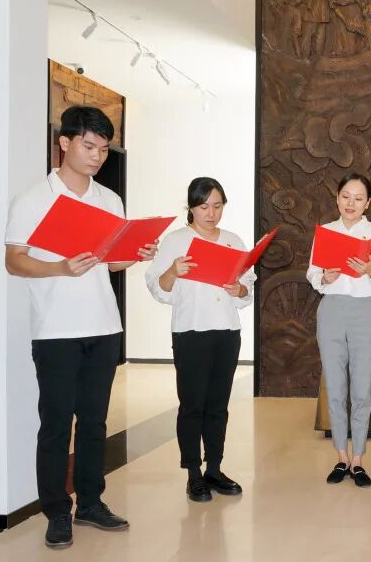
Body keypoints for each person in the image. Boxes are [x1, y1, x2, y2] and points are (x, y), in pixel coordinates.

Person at [5, 106, 157, 549]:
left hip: (104, 325)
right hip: (55, 330)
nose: (97, 156)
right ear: (64, 142)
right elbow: (13, 260)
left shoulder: (109, 200)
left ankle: (90, 502)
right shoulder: (35, 198)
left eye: (104, 149)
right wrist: (59, 267)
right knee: (56, 424)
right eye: (89, 146)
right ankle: (57, 510)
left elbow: (110, 264)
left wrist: (137, 254)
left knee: (94, 421)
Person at [145, 177, 253, 503]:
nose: (211, 213)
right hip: (190, 332)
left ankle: (215, 468)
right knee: (192, 405)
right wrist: (172, 272)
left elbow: (247, 289)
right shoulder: (176, 241)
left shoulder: (233, 241)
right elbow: (157, 288)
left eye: (217, 206)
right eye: (204, 206)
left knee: (218, 405)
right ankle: (193, 472)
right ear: (191, 207)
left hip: (227, 332)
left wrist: (239, 289)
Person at [306, 173, 371, 488]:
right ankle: (341, 456)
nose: (351, 203)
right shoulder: (326, 232)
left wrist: (370, 270)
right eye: (345, 196)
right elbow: (312, 273)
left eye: (358, 198)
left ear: (368, 203)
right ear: (337, 198)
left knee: (361, 389)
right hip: (331, 310)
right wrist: (324, 278)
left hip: (365, 311)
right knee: (335, 386)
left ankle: (358, 459)